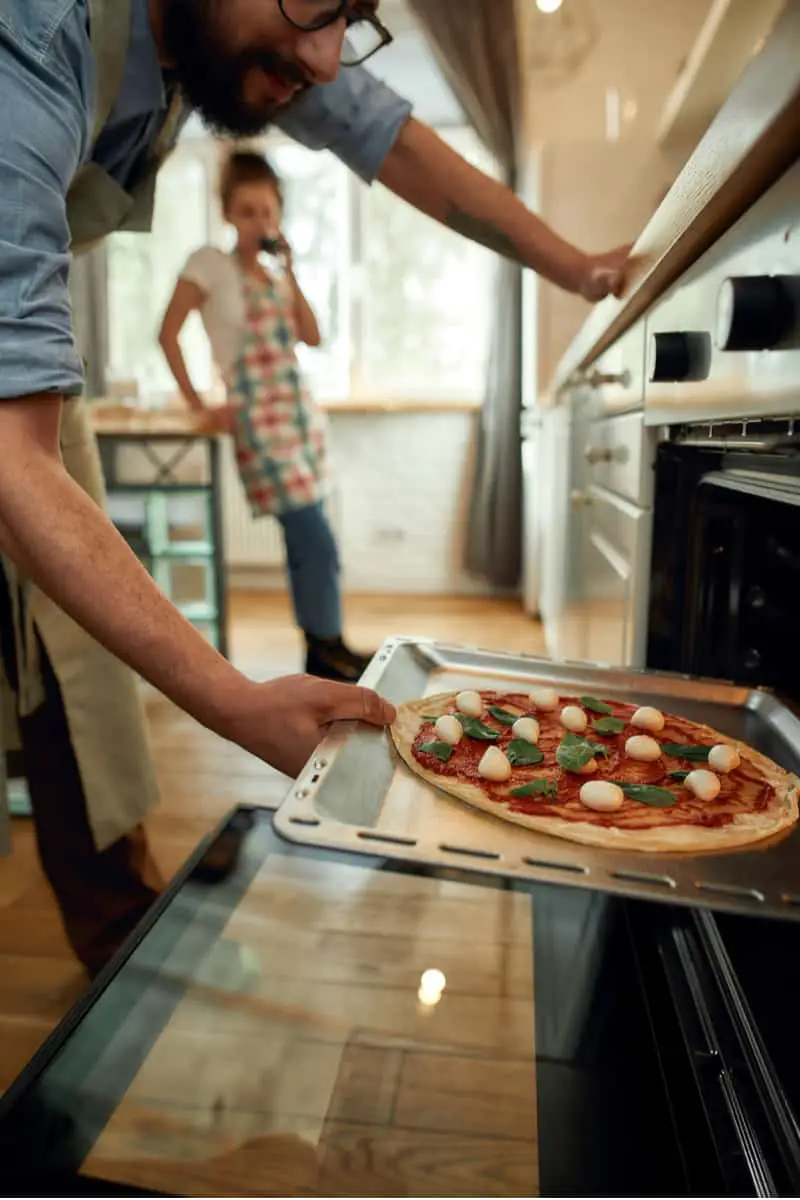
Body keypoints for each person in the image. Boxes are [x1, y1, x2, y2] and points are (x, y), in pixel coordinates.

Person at [0, 0, 629, 976]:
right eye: (315, 5)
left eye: (356, 17)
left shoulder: (230, 39)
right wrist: (234, 701)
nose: (331, 60)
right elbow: (13, 462)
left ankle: (116, 912)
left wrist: (581, 268)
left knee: (82, 664)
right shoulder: (35, 42)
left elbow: (396, 142)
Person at [159, 151, 369, 684]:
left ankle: (323, 652)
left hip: (298, 419)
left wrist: (292, 270)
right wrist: (198, 403)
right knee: (317, 539)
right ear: (228, 214)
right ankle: (329, 645)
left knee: (305, 547)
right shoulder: (209, 264)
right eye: (248, 211)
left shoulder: (277, 280)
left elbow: (313, 335)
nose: (260, 222)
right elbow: (168, 333)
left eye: (268, 212)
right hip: (259, 422)